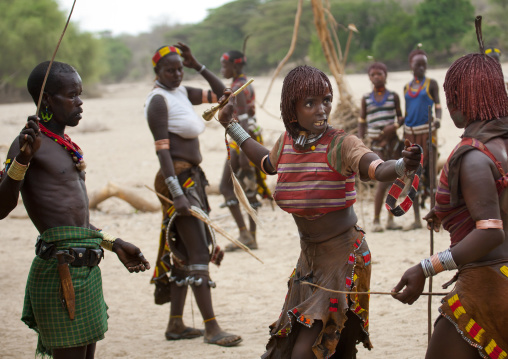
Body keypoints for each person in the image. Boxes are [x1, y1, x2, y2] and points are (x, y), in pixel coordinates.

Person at [217, 65, 422, 359]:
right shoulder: (287, 142)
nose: (321, 109)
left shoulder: (342, 144)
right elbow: (265, 162)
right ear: (292, 108)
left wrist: (402, 166)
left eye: (326, 100)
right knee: (303, 350)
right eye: (310, 103)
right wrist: (230, 124)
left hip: (344, 259)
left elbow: (375, 168)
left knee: (307, 352)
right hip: (308, 263)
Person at [0, 61, 150, 359]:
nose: (80, 103)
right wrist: (22, 161)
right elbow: (1, 208)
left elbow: (74, 222)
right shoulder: (28, 143)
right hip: (61, 271)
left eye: (80, 94)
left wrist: (114, 243)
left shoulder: (64, 144)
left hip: (86, 270)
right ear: (46, 100)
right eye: (72, 95)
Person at [392, 48, 508, 358]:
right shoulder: (502, 144)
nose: (450, 105)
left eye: (452, 97)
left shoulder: (473, 157)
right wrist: (447, 212)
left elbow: (491, 232)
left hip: (486, 287)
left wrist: (426, 267)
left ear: (460, 101)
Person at [145, 42, 242, 347]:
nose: (175, 74)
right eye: (169, 70)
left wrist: (197, 64)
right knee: (199, 252)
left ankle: (175, 324)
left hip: (191, 180)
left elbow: (226, 95)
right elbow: (162, 153)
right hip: (177, 181)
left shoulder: (182, 92)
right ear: (157, 72)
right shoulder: (158, 102)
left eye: (179, 69)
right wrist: (177, 195)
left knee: (184, 253)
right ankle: (212, 328)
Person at [218, 50, 271, 251]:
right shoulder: (243, 84)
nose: (223, 69)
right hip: (245, 140)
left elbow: (245, 122)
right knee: (247, 188)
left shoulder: (238, 88)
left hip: (242, 141)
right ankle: (250, 235)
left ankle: (245, 234)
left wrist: (243, 152)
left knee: (227, 186)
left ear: (236, 66)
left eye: (225, 66)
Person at [358, 62, 404, 233]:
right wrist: (360, 142)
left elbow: (400, 118)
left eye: (379, 74)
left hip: (392, 143)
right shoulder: (366, 99)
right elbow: (362, 121)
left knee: (395, 181)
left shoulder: (393, 96)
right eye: (373, 75)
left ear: (386, 75)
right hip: (377, 145)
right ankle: (377, 220)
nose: (376, 77)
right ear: (369, 78)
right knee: (382, 181)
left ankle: (390, 220)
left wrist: (394, 127)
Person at [402, 48, 442, 230]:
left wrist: (438, 119)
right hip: (410, 133)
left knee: (432, 176)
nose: (421, 68)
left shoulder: (431, 84)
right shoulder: (406, 88)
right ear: (411, 66)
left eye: (424, 65)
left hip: (428, 133)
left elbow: (439, 107)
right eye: (418, 65)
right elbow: (407, 112)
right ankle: (417, 219)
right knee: (413, 176)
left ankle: (435, 216)